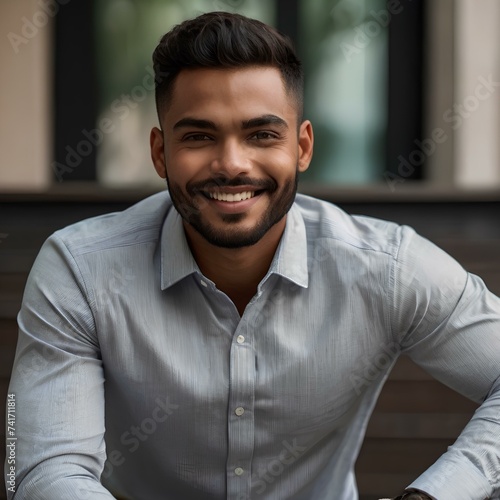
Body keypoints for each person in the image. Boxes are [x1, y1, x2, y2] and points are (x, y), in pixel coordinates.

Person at [5, 11, 500, 500]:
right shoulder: (80, 269)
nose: (232, 164)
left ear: (302, 147)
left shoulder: (387, 267)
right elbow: (47, 471)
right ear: (160, 152)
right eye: (199, 136)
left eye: (262, 134)